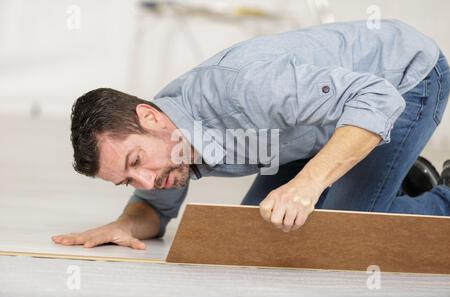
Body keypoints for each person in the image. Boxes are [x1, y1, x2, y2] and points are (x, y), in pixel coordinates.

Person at [53, 20, 450, 250]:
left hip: (401, 80)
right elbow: (154, 211)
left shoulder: (246, 86)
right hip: (309, 126)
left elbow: (375, 98)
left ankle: (442, 193)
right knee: (256, 237)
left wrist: (308, 185)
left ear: (150, 118)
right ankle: (393, 172)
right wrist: (125, 224)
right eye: (126, 180)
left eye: (135, 163)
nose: (143, 182)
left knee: (337, 236)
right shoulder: (165, 144)